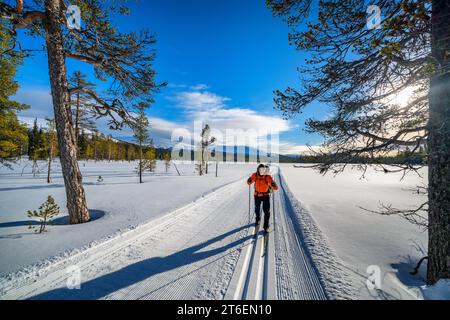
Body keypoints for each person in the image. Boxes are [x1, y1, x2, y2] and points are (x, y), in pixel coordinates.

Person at [246, 164, 278, 232]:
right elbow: (249, 182)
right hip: (257, 195)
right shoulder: (255, 175)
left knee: (266, 211)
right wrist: (249, 181)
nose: (262, 171)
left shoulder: (267, 177)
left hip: (265, 196)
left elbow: (275, 188)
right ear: (258, 169)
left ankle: (266, 226)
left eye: (263, 170)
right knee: (257, 209)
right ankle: (257, 219)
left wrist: (273, 185)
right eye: (260, 169)